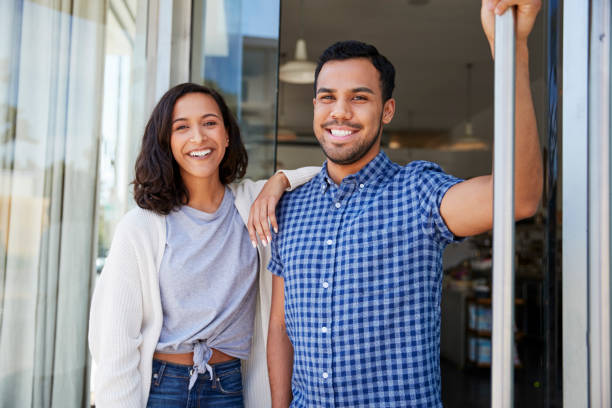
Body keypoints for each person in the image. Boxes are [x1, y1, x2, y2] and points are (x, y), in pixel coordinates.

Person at [266, 0, 543, 406]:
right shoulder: (289, 208)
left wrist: (513, 46)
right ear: (315, 108)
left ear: (387, 110)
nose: (339, 111)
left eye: (359, 97)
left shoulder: (417, 193)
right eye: (327, 97)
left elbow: (519, 196)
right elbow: (280, 326)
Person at [88, 83, 318, 407]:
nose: (198, 137)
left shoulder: (252, 203)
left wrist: (279, 181)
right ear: (168, 142)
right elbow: (115, 342)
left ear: (226, 136)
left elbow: (328, 172)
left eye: (209, 123)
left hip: (229, 385)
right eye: (182, 127)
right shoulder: (142, 226)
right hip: (162, 387)